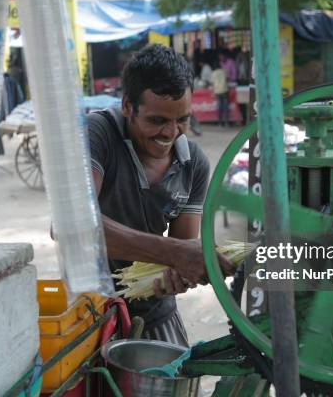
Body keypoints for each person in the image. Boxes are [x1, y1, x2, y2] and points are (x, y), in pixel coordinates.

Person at [82, 44, 234, 346]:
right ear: (127, 106)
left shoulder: (193, 163)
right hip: (88, 309)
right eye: (157, 120)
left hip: (154, 310)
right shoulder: (98, 133)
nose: (170, 133)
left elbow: (183, 247)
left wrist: (179, 273)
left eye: (182, 120)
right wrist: (174, 253)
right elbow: (74, 226)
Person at [212, 61, 229, 127]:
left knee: (219, 107)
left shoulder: (213, 73)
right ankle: (226, 123)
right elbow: (227, 79)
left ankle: (220, 123)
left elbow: (212, 83)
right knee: (225, 107)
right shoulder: (223, 71)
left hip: (217, 91)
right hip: (224, 91)